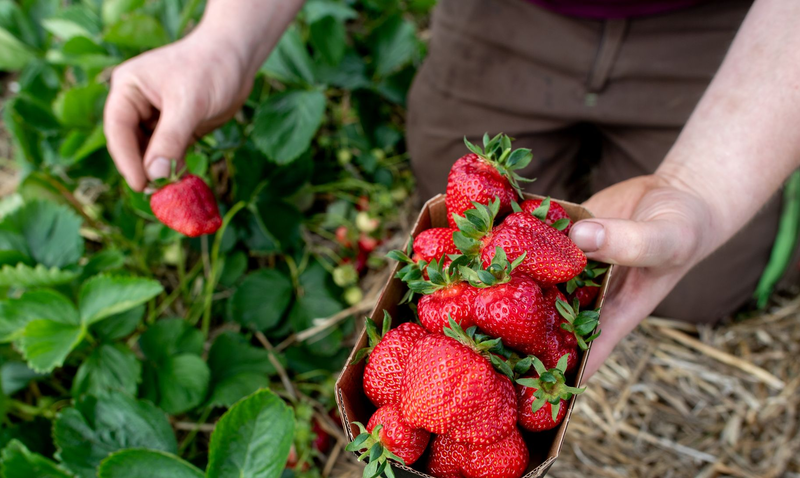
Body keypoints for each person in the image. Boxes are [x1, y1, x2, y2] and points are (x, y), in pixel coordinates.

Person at [104, 0, 800, 378]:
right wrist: (226, 41)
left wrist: (697, 185)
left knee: (698, 285)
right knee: (456, 181)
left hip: (733, 26)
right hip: (513, 12)